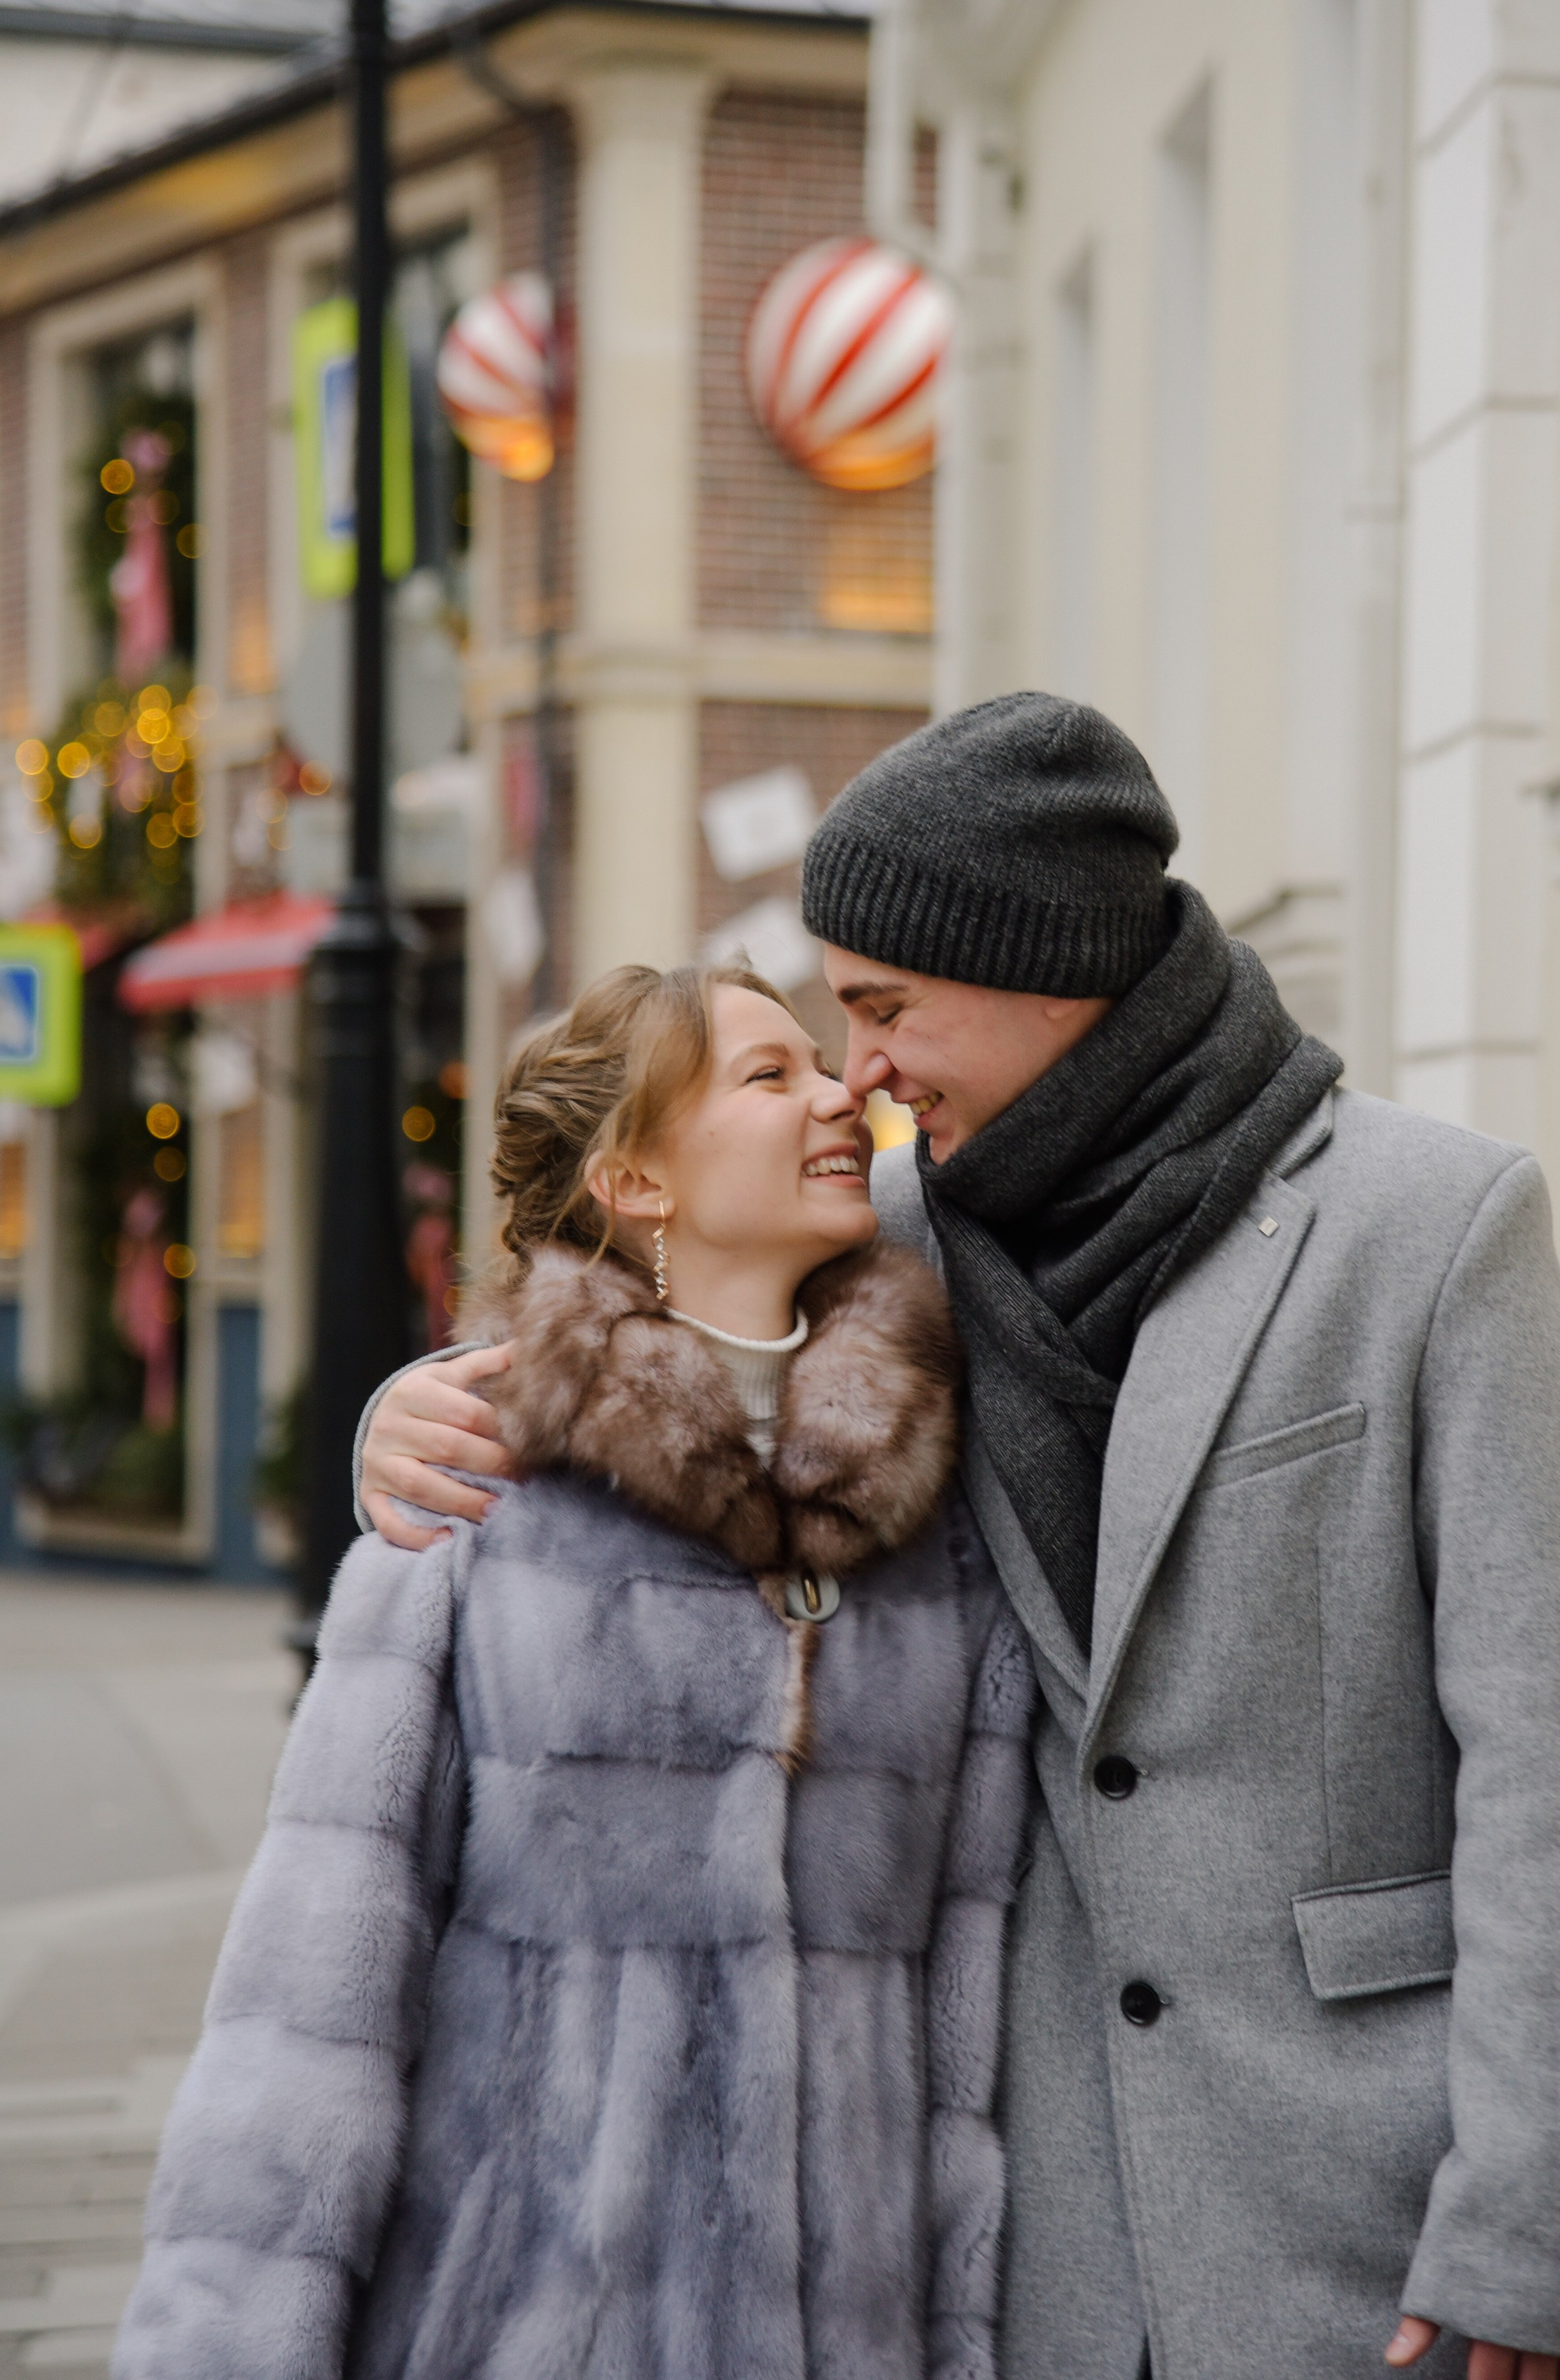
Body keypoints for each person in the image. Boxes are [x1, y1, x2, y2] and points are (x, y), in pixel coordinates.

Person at [359, 696, 1560, 2380]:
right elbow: (644, 1348)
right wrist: (421, 1409)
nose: (860, 1073)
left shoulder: (1424, 1228)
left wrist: (1537, 2227)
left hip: (1367, 2219)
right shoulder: (882, 1243)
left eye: (888, 1009)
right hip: (1010, 2245)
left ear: (1044, 968)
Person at [114, 963, 1033, 2380]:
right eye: (767, 1075)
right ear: (634, 1181)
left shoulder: (927, 1532)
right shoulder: (475, 1508)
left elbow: (961, 2031)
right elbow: (311, 2010)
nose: (841, 1091)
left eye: (824, 1061)